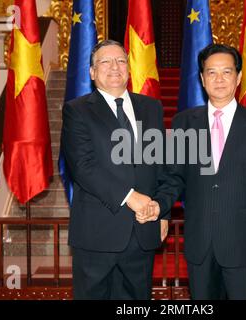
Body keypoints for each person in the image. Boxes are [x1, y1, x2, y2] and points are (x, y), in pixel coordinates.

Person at [147, 43, 246, 300]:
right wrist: (160, 209)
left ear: (239, 77)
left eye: (226, 72)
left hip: (245, 245)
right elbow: (173, 176)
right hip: (201, 246)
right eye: (211, 72)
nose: (219, 79)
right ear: (201, 78)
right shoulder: (184, 122)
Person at [61, 40, 169, 300]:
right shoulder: (76, 110)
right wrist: (131, 197)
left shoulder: (151, 107)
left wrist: (162, 210)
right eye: (105, 62)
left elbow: (162, 165)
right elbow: (83, 167)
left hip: (142, 231)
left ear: (129, 69)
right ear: (92, 72)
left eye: (120, 61)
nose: (114, 67)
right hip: (97, 233)